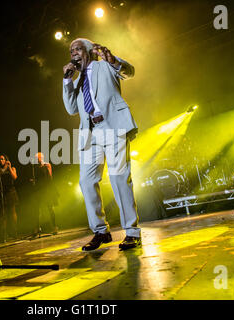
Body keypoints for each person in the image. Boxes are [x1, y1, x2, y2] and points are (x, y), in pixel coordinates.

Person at [62, 38, 141, 251]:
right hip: (90, 132)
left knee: (119, 178)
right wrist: (67, 81)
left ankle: (132, 232)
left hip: (113, 126)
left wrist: (112, 59)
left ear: (89, 51)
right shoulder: (76, 80)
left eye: (77, 49)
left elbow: (129, 71)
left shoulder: (104, 64)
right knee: (86, 182)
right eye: (71, 51)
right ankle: (100, 231)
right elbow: (71, 109)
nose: (73, 54)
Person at [30, 152, 59, 236]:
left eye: (38, 158)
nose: (36, 159)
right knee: (37, 209)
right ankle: (37, 228)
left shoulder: (47, 165)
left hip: (47, 189)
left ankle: (54, 227)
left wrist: (46, 168)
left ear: (41, 158)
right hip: (39, 190)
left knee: (50, 208)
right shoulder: (35, 167)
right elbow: (35, 178)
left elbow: (50, 177)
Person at [0, 154, 18, 242]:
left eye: (2, 159)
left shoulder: (12, 168)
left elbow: (14, 177)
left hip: (10, 192)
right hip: (2, 193)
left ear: (6, 160)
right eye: (0, 159)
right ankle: (4, 234)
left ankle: (14, 232)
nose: (1, 161)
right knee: (3, 214)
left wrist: (9, 167)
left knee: (12, 212)